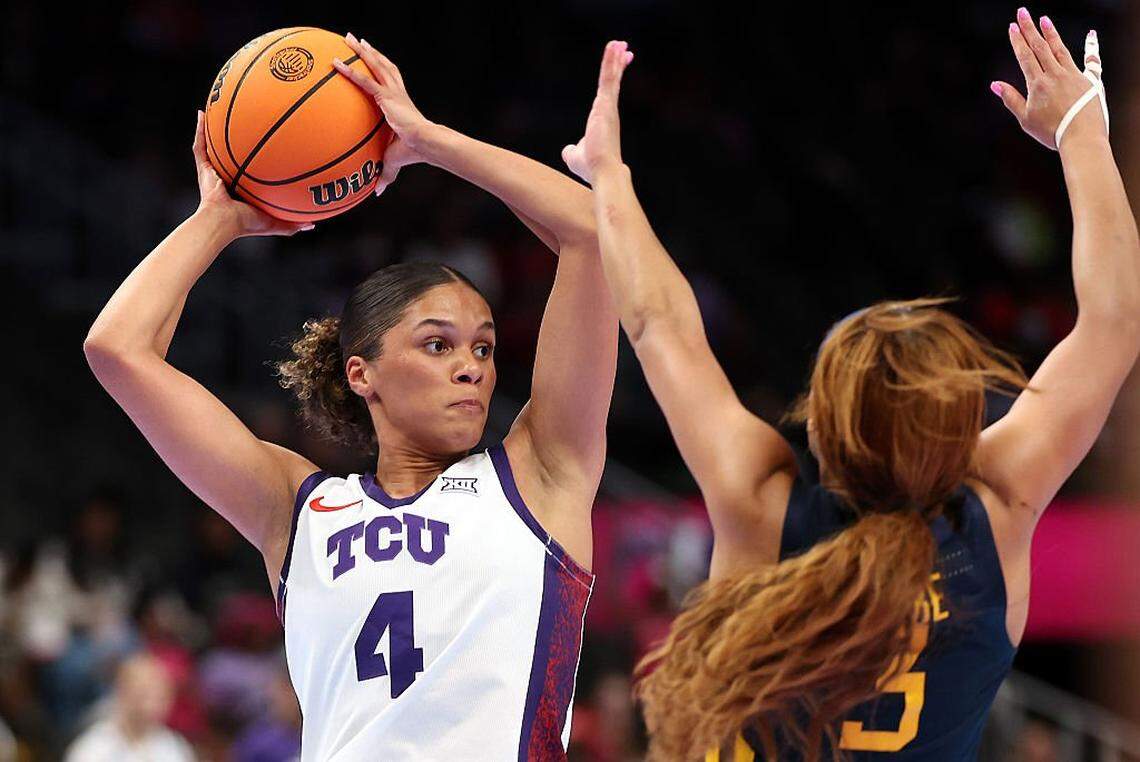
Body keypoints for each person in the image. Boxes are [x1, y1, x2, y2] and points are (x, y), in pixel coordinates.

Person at [561, 9, 1138, 760]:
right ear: (958, 430)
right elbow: (1115, 322)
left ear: (819, 424)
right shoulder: (997, 509)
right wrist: (1082, 134)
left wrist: (609, 175)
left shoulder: (761, 504)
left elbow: (657, 324)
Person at [84, 32, 618, 759]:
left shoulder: (543, 473)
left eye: (484, 348)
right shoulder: (297, 508)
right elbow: (117, 349)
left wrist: (429, 142)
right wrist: (221, 218)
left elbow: (590, 231)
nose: (472, 367)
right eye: (438, 345)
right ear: (362, 372)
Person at [64, 652, 193, 762]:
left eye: (161, 696)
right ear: (122, 693)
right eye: (144, 694)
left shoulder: (174, 747)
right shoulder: (93, 748)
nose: (153, 704)